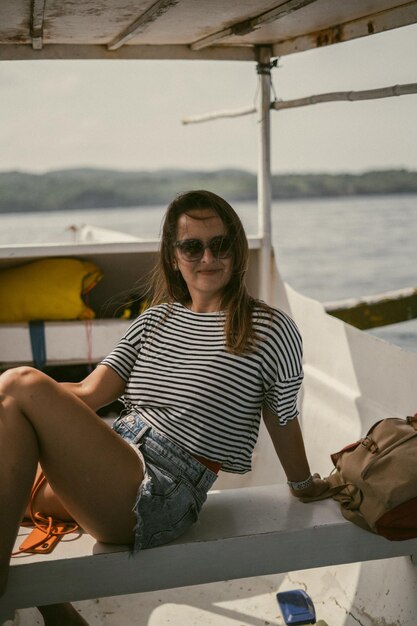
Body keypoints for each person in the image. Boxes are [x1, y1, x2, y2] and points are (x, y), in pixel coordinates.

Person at [0, 190, 328, 624]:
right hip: (113, 456)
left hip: (160, 489)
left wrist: (302, 483)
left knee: (20, 381)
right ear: (174, 257)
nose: (207, 256)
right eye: (192, 246)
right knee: (14, 411)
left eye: (221, 244)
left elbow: (282, 417)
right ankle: (57, 609)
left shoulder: (268, 328)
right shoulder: (155, 321)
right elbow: (87, 394)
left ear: (236, 249)